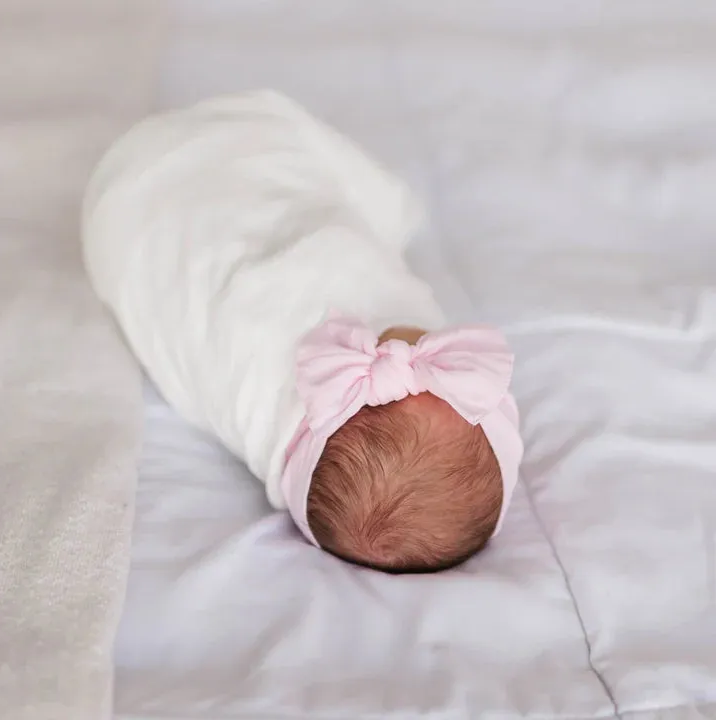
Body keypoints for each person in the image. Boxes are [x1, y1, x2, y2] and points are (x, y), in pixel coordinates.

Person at [82, 90, 523, 573]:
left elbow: (334, 248)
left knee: (340, 194)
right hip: (115, 219)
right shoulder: (277, 426)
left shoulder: (301, 355)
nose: (419, 349)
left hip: (201, 161)